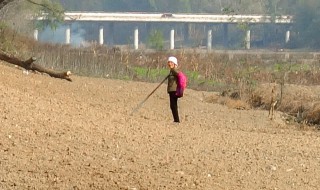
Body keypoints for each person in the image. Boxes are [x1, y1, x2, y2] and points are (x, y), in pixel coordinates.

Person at [167, 56, 180, 123]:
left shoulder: (174, 70)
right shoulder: (171, 71)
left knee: (173, 105)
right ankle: (176, 120)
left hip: (174, 90)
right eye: (169, 62)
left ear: (174, 63)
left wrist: (172, 69)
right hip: (171, 90)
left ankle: (176, 120)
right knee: (173, 105)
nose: (169, 63)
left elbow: (178, 75)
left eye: (171, 62)